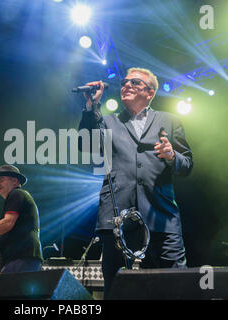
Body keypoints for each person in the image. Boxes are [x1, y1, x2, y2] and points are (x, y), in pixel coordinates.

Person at [78, 67, 193, 297]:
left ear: (150, 93)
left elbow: (187, 164)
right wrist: (91, 106)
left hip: (161, 217)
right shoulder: (108, 122)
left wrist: (172, 156)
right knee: (118, 289)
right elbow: (85, 145)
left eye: (135, 82)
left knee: (174, 285)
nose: (126, 85)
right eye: (124, 82)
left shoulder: (169, 121)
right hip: (118, 218)